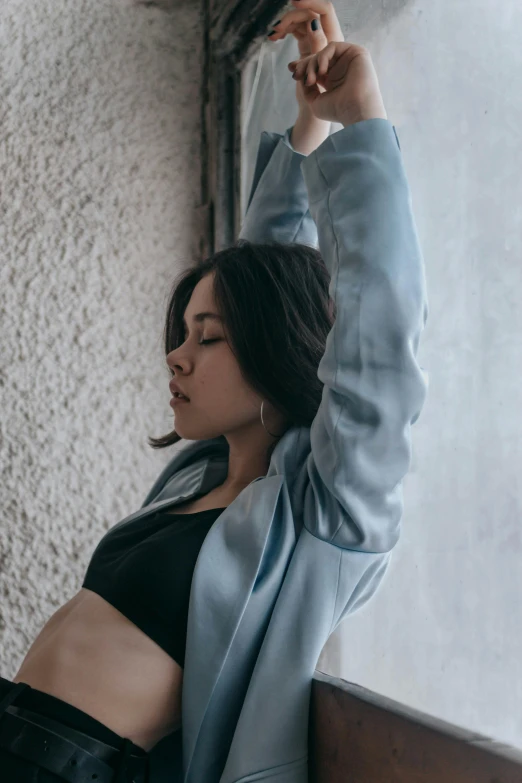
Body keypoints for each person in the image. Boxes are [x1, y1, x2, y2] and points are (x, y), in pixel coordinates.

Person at [0, 2, 429, 782]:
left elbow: (377, 327)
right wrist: (309, 128)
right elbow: (258, 273)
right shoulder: (200, 480)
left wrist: (361, 119)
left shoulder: (323, 519)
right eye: (182, 332)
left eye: (207, 338)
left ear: (272, 352)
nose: (176, 356)